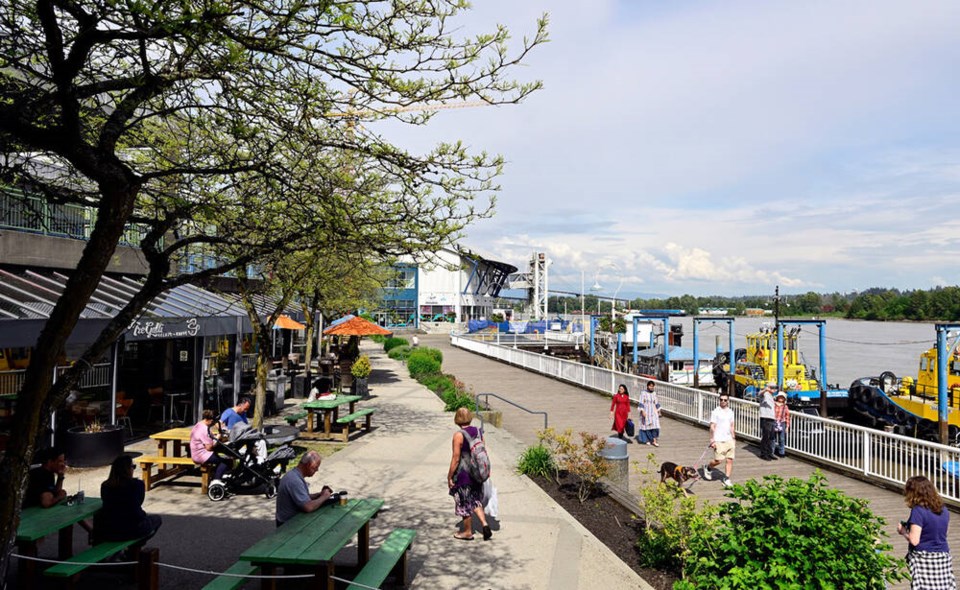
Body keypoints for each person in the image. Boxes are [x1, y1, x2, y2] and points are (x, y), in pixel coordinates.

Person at [898, 475, 957, 589]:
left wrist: (903, 531)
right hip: (943, 556)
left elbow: (914, 541)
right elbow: (941, 533)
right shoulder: (943, 509)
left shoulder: (918, 511)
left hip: (923, 559)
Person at [447, 407, 492, 541]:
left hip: (464, 474)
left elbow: (456, 458)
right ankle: (484, 524)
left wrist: (449, 476)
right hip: (477, 473)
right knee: (475, 500)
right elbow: (483, 450)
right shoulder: (478, 432)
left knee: (464, 503)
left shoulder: (458, 435)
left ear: (457, 419)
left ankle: (467, 532)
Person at [94, 455, 162, 543]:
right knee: (157, 519)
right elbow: (138, 502)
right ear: (128, 469)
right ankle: (137, 545)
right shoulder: (137, 485)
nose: (133, 469)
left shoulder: (106, 485)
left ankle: (133, 548)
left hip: (110, 529)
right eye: (133, 466)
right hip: (133, 528)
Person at [275, 451, 334, 526]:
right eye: (316, 467)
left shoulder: (294, 474)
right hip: (288, 525)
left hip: (290, 520)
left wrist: (318, 495)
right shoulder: (294, 480)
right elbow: (308, 507)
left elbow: (300, 497)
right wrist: (324, 497)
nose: (317, 470)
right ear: (309, 465)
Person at [703, 395, 736, 487]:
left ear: (728, 401)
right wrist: (712, 439)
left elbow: (732, 425)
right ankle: (708, 467)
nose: (723, 401)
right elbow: (712, 426)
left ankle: (726, 479)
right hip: (719, 439)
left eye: (725, 400)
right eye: (721, 400)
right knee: (718, 460)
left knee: (730, 460)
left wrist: (734, 438)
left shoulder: (730, 412)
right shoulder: (715, 412)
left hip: (729, 439)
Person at [190, 409, 230, 482]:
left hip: (198, 453)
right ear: (210, 420)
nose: (214, 424)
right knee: (227, 460)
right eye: (214, 422)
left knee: (223, 455)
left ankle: (218, 475)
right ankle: (216, 480)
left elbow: (209, 438)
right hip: (201, 455)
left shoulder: (199, 424)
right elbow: (209, 447)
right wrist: (218, 437)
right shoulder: (204, 429)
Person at [637, 381, 662, 447]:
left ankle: (654, 441)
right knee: (646, 426)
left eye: (652, 386)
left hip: (653, 411)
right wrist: (642, 411)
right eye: (650, 386)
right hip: (646, 410)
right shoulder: (643, 393)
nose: (651, 387)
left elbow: (656, 402)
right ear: (647, 386)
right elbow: (641, 402)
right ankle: (647, 440)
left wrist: (659, 411)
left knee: (655, 426)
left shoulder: (654, 393)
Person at [758, 381, 777, 461]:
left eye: (774, 387)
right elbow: (759, 394)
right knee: (766, 437)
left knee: (771, 437)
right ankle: (764, 454)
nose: (774, 389)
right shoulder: (765, 394)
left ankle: (770, 453)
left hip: (772, 418)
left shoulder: (772, 396)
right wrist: (765, 389)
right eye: (772, 387)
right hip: (766, 418)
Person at [773, 391, 791, 458]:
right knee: (772, 438)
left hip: (782, 423)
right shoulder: (773, 404)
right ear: (777, 397)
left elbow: (787, 416)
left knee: (782, 438)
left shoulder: (785, 406)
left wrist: (787, 426)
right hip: (774, 422)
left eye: (782, 397)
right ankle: (772, 451)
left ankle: (781, 452)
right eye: (780, 397)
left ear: (784, 399)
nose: (781, 398)